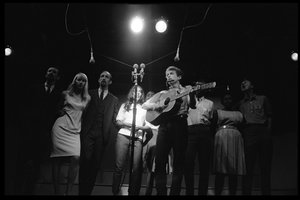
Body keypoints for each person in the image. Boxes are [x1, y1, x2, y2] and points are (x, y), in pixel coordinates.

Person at [142, 66, 192, 195]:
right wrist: (158, 105)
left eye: (171, 73)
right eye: (166, 74)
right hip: (164, 126)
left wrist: (193, 93)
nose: (168, 76)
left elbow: (193, 105)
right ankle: (161, 193)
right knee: (160, 161)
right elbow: (144, 105)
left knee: (178, 161)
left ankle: (174, 193)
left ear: (179, 77)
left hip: (180, 124)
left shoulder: (187, 90)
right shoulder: (163, 93)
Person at [13, 66, 61, 195]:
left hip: (42, 135)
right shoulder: (34, 88)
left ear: (58, 77)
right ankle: (16, 191)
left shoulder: (57, 95)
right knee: (21, 164)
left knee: (35, 166)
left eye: (54, 72)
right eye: (49, 71)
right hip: (28, 132)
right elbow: (24, 106)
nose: (51, 73)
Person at [78, 71, 119, 195]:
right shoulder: (89, 94)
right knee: (85, 161)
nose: (104, 78)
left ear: (110, 81)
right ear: (98, 79)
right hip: (88, 133)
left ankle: (88, 192)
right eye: (102, 76)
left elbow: (116, 119)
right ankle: (81, 193)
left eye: (107, 77)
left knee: (95, 165)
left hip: (102, 136)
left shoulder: (114, 99)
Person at [50, 72, 91, 195]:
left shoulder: (87, 98)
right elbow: (55, 108)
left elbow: (83, 115)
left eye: (83, 80)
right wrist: (58, 111)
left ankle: (68, 192)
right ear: (74, 81)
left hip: (74, 131)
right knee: (57, 159)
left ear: (85, 83)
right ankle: (56, 191)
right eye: (78, 80)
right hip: (61, 128)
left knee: (75, 158)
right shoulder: (65, 94)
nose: (80, 82)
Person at [233, 79, 273, 195]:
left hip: (263, 130)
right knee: (248, 167)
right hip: (249, 132)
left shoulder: (262, 98)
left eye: (245, 82)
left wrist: (268, 132)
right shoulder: (240, 104)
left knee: (265, 166)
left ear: (252, 86)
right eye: (241, 83)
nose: (242, 84)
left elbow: (269, 116)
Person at [112, 85, 151, 195]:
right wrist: (127, 124)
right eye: (135, 91)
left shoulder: (144, 109)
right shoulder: (125, 106)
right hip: (123, 135)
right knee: (119, 167)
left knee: (135, 169)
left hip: (137, 138)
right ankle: (115, 192)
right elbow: (118, 122)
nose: (138, 94)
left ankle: (133, 193)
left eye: (140, 92)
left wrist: (139, 127)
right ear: (131, 93)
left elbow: (148, 126)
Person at [211, 90, 246, 195]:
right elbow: (212, 127)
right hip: (221, 137)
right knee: (220, 170)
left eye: (229, 99)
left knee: (233, 171)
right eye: (225, 99)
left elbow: (242, 127)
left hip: (235, 138)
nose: (227, 101)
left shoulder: (239, 114)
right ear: (222, 101)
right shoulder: (218, 112)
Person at [184, 81, 215, 195]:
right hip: (190, 131)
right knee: (188, 164)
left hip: (204, 131)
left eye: (200, 85)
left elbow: (211, 120)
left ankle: (202, 193)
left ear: (205, 88)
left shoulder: (210, 103)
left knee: (204, 165)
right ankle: (189, 193)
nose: (198, 86)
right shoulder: (187, 101)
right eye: (196, 84)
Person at [142, 91, 174, 196]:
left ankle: (159, 192)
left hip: (157, 134)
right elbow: (144, 106)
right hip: (147, 135)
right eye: (148, 96)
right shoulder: (146, 109)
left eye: (152, 96)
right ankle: (148, 191)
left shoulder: (160, 105)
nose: (150, 97)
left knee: (156, 167)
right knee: (148, 167)